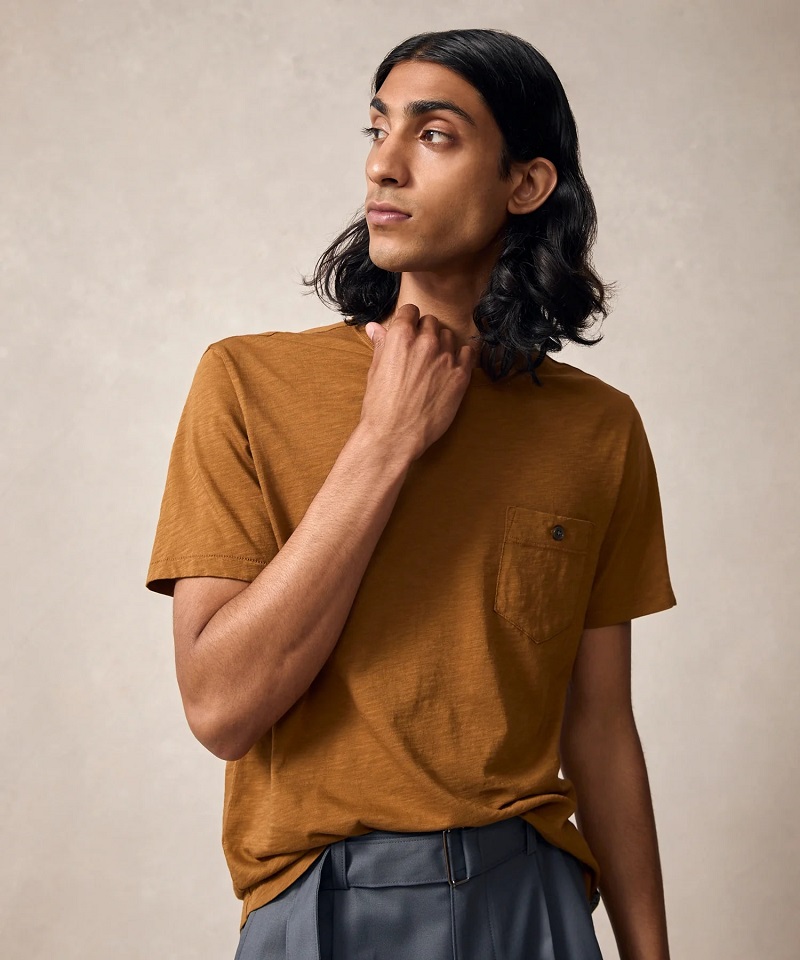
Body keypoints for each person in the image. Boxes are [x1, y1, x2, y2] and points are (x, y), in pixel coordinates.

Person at [145, 27, 677, 960]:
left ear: (526, 184)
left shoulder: (598, 429)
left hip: (535, 905)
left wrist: (650, 954)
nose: (383, 165)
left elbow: (599, 727)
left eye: (435, 135)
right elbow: (221, 708)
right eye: (378, 127)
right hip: (323, 907)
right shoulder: (245, 383)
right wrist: (384, 443)